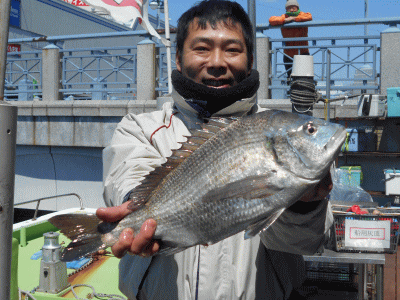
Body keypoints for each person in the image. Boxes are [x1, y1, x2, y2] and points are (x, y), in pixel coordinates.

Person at [96, 0, 333, 299]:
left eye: (232, 49)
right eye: (202, 48)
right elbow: (128, 175)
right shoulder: (140, 128)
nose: (218, 62)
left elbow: (305, 243)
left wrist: (303, 204)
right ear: (179, 60)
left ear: (250, 61)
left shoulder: (286, 133)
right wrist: (135, 210)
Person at [269, 0, 312, 80]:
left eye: (293, 8)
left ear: (297, 8)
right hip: (288, 54)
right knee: (290, 79)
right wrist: (284, 21)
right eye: (289, 8)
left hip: (303, 52)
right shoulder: (284, 17)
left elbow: (309, 16)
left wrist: (294, 19)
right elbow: (271, 20)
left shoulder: (302, 14)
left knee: (305, 80)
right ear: (286, 9)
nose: (291, 10)